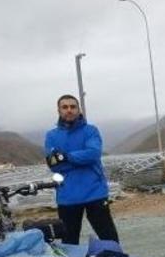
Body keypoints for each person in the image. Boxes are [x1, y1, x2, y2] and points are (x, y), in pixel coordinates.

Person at [44, 95, 119, 245]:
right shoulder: (51, 136)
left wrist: (66, 157)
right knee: (69, 244)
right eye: (64, 107)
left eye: (73, 106)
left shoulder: (91, 131)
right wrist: (81, 158)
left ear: (79, 109)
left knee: (109, 239)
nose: (69, 110)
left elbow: (93, 154)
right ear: (58, 110)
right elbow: (54, 165)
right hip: (67, 196)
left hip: (95, 193)